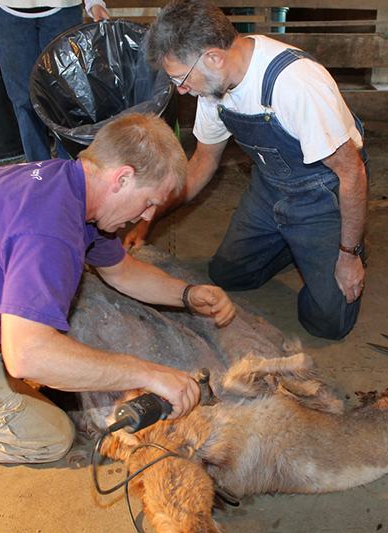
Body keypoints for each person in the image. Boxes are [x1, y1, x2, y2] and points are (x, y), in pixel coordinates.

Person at [0, 113, 236, 463]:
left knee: (55, 369)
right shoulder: (50, 232)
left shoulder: (67, 186)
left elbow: (121, 270)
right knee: (48, 435)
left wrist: (186, 294)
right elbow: (28, 356)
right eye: (150, 201)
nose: (149, 215)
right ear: (122, 178)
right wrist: (149, 374)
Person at [126, 0, 369, 340]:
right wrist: (151, 215)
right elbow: (203, 161)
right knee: (227, 275)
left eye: (181, 78)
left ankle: (323, 244)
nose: (181, 89)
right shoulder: (213, 85)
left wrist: (349, 254)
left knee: (328, 322)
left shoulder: (295, 84)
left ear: (213, 57)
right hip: (270, 185)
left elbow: (352, 174)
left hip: (321, 194)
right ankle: (293, 244)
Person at [0, 0, 110, 161]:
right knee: (23, 99)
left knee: (67, 94)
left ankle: (68, 166)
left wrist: (94, 2)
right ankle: (37, 168)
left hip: (63, 8)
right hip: (8, 9)